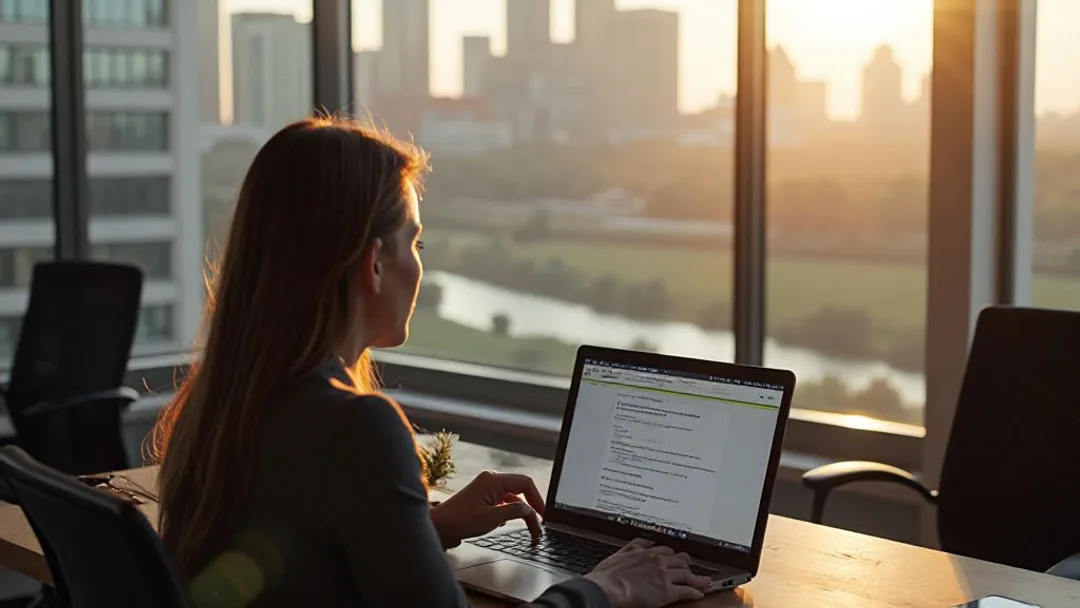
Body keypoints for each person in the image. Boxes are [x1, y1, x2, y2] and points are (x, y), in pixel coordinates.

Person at [150, 117, 711, 608]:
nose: (421, 266)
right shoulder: (356, 428)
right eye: (415, 243)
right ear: (374, 263)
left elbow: (301, 554)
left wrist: (422, 527)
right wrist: (606, 587)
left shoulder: (219, 404)